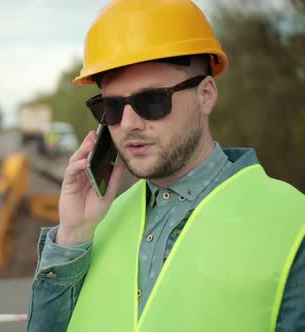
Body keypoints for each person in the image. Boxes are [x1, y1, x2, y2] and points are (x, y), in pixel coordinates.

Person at [27, 0, 305, 331]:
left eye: (152, 101)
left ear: (206, 95)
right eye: (112, 107)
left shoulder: (291, 226)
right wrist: (72, 236)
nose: (128, 123)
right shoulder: (94, 224)